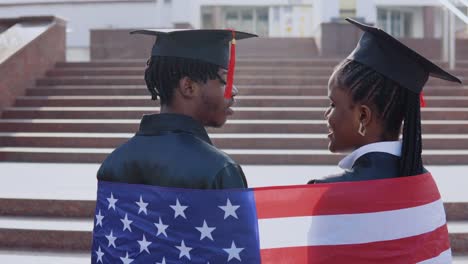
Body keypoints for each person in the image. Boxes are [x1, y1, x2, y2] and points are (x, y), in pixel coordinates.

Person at [97, 29, 257, 189]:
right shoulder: (220, 170)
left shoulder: (115, 162)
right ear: (188, 87)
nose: (234, 90)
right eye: (224, 80)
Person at [310, 18, 462, 184]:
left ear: (363, 116)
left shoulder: (327, 190)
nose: (326, 113)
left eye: (333, 104)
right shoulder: (426, 186)